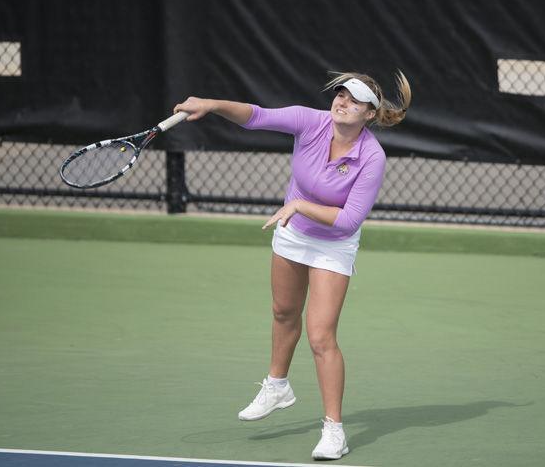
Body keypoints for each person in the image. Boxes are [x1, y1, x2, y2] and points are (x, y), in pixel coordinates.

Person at [173, 71, 411, 460]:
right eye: (340, 94)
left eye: (354, 99)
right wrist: (212, 105)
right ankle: (277, 385)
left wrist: (299, 204)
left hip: (333, 245)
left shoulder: (372, 157)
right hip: (292, 233)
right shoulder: (310, 122)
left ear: (369, 113)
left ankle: (335, 430)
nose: (342, 102)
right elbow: (256, 116)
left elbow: (350, 220)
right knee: (283, 312)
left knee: (320, 336)